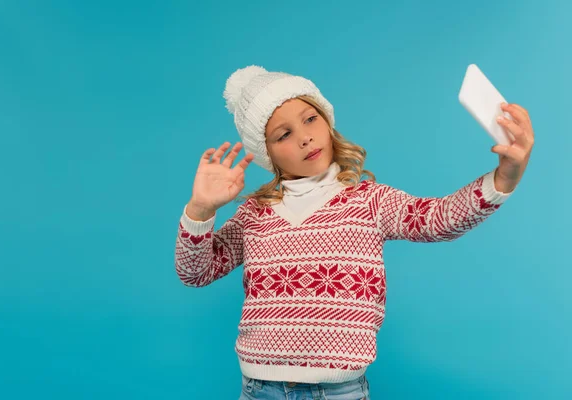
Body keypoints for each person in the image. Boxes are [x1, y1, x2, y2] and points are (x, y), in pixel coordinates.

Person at [174, 65, 534, 400]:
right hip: (259, 388)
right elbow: (195, 272)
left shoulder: (369, 200)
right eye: (284, 134)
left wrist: (505, 177)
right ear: (266, 152)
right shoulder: (255, 213)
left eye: (310, 119)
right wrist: (201, 210)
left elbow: (437, 219)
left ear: (327, 121)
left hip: (339, 391)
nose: (304, 138)